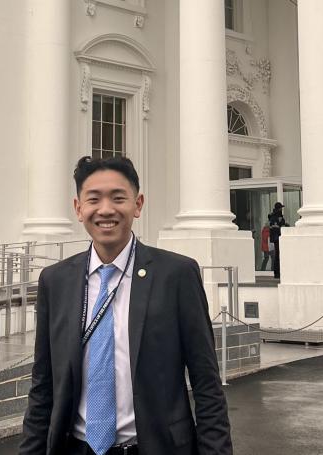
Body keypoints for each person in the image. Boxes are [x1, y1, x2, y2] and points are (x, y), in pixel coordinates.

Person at [20, 156, 232, 455]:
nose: (106, 209)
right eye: (93, 199)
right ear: (78, 209)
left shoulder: (176, 275)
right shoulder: (56, 281)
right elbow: (43, 385)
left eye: (118, 198)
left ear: (138, 204)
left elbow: (206, 384)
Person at [268, 202, 287, 279]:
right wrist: (280, 225)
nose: (281, 209)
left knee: (278, 255)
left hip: (277, 237)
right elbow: (275, 227)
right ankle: (277, 273)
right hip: (277, 238)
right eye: (280, 208)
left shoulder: (277, 216)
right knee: (277, 256)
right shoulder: (274, 217)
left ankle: (278, 273)